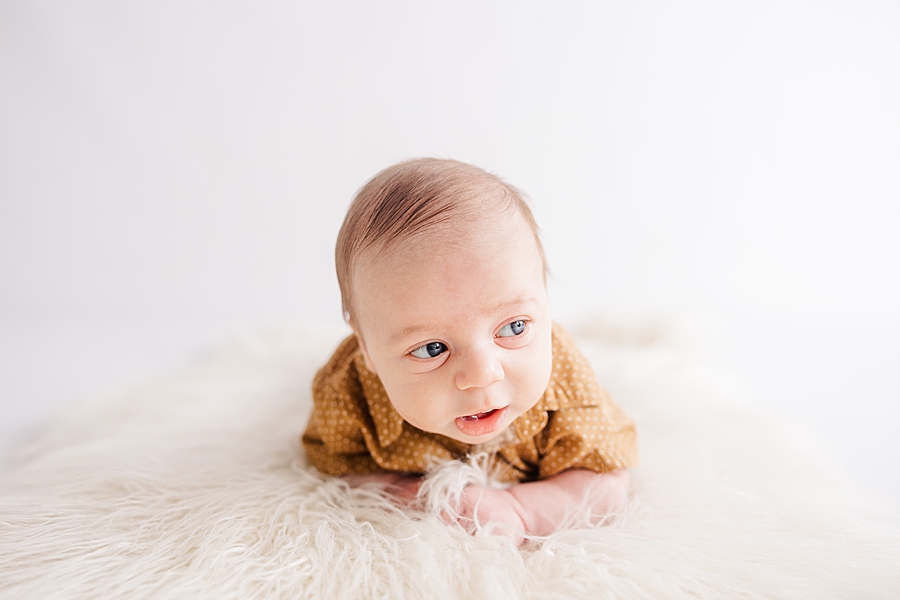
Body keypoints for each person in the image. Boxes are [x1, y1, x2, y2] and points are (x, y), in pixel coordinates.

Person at [302, 158, 638, 544]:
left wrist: (520, 510)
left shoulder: (567, 393)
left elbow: (608, 480)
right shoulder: (348, 395)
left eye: (514, 327)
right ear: (367, 352)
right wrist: (401, 490)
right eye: (432, 349)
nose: (482, 373)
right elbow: (335, 463)